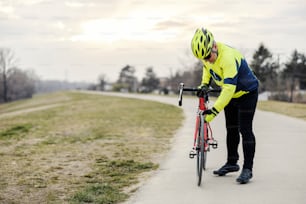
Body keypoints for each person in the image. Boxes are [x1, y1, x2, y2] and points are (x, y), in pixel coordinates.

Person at [191, 28, 259, 184]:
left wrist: (214, 111)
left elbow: (228, 89)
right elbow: (207, 68)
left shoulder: (227, 57)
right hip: (232, 95)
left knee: (245, 130)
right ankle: (232, 163)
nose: (207, 60)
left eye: (208, 56)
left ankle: (247, 169)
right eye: (203, 58)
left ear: (214, 46)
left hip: (247, 93)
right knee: (231, 129)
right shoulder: (207, 56)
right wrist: (204, 84)